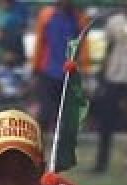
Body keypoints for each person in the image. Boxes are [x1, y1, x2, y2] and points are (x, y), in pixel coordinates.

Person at [93, 0, 127, 174]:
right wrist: (102, 71)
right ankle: (101, 163)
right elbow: (108, 47)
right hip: (114, 75)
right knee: (106, 122)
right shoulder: (114, 21)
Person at [30, 0, 88, 131]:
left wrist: (84, 69)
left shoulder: (79, 18)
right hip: (48, 72)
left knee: (65, 116)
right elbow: (39, 44)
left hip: (70, 74)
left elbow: (84, 47)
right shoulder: (46, 16)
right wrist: (35, 70)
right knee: (45, 114)